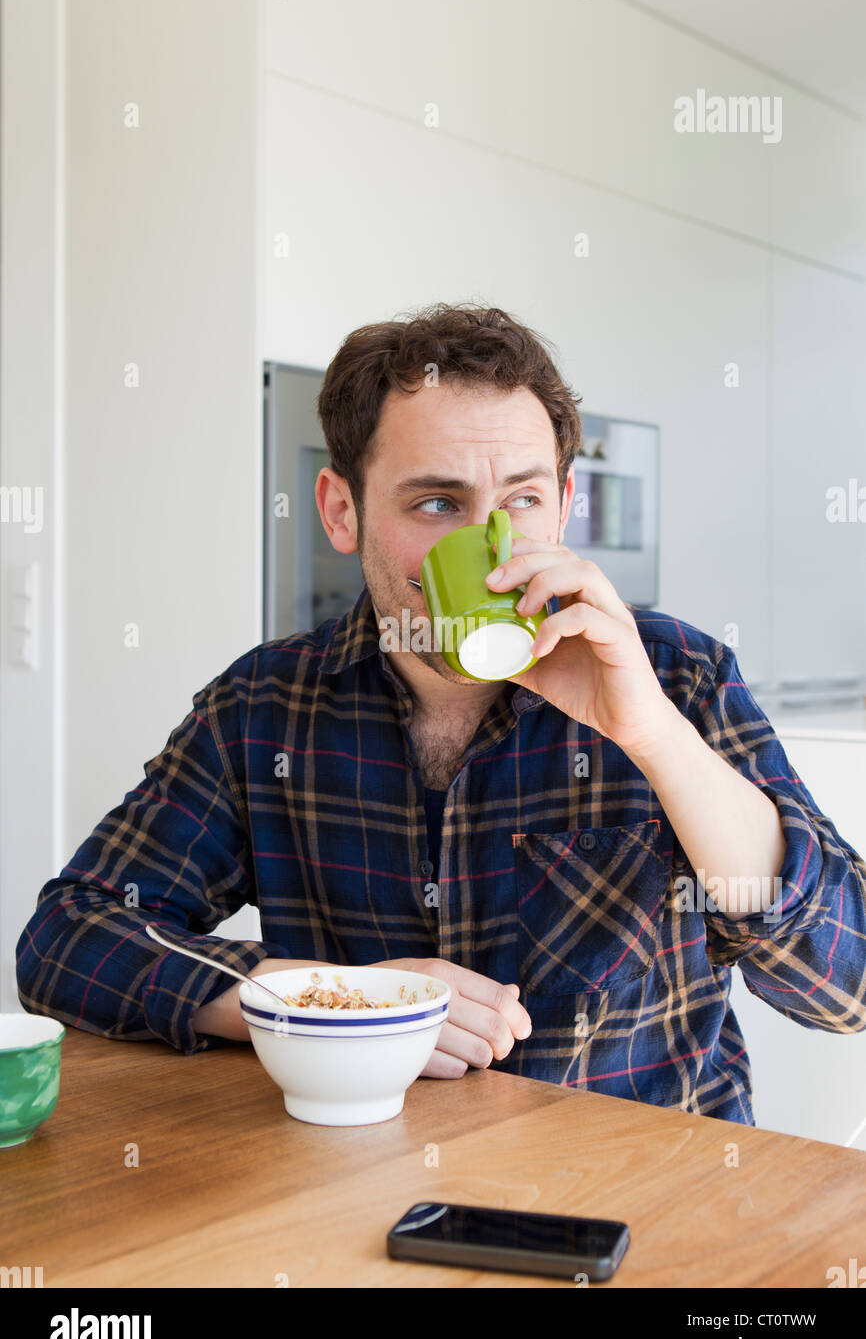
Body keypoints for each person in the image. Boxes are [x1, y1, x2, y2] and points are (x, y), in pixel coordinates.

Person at [17, 302, 866, 1124]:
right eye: (437, 504)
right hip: (365, 1200)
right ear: (342, 511)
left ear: (564, 505)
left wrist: (653, 737)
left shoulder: (676, 675)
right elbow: (67, 938)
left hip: (648, 1209)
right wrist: (338, 1002)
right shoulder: (264, 708)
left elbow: (848, 988)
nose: (493, 548)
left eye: (523, 501)